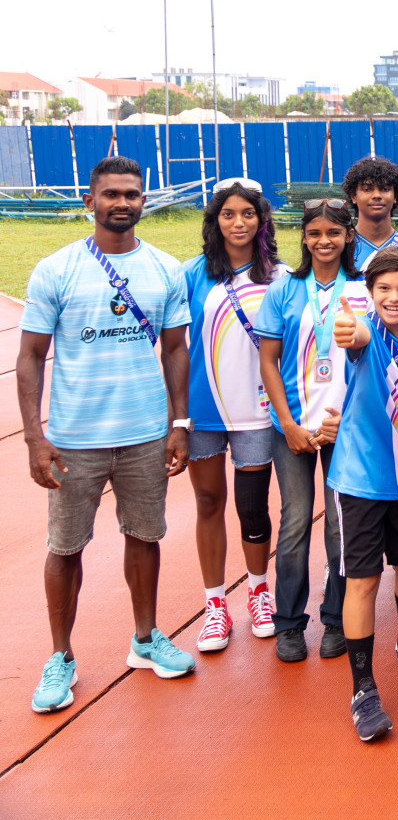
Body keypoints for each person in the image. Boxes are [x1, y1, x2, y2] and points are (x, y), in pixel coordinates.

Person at [23, 156, 196, 712]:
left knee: (145, 536)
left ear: (144, 201)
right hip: (74, 437)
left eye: (132, 194)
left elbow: (174, 349)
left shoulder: (166, 269)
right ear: (89, 202)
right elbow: (29, 358)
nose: (122, 202)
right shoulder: (56, 268)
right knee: (65, 547)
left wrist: (179, 424)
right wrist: (34, 437)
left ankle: (145, 639)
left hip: (145, 432)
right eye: (111, 194)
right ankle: (60, 657)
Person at [327, 246, 398, 742]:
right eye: (383, 289)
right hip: (359, 478)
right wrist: (348, 330)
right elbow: (349, 334)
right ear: (370, 293)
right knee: (362, 580)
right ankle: (362, 688)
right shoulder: (364, 332)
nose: (394, 297)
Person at [255, 197, 366, 664]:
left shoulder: (362, 289)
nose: (325, 241)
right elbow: (267, 360)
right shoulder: (283, 290)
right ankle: (289, 623)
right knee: (295, 523)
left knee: (341, 528)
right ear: (303, 237)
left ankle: (337, 619)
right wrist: (287, 424)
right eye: (315, 233)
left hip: (346, 427)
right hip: (294, 428)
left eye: (334, 233)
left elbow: (372, 358)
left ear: (348, 237)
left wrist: (349, 421)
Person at [183, 178, 286, 653]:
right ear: (215, 221)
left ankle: (258, 592)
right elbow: (173, 349)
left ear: (262, 220)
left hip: (257, 412)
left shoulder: (282, 278)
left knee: (251, 508)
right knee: (208, 504)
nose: (239, 222)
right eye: (228, 214)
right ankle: (214, 605)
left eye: (248, 213)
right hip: (205, 412)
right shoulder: (190, 275)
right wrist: (178, 418)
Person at [343, 156, 398, 266]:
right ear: (353, 196)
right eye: (367, 189)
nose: (376, 195)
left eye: (385, 189)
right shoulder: (341, 249)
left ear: (395, 196)